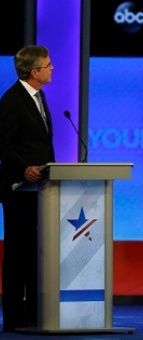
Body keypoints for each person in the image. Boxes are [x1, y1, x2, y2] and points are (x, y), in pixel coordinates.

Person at [0, 45, 56, 332]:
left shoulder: (39, 96)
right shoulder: (11, 100)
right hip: (18, 188)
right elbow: (4, 144)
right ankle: (13, 316)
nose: (52, 68)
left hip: (41, 189)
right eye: (48, 65)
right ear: (34, 71)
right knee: (18, 253)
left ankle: (34, 313)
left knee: (36, 252)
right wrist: (24, 167)